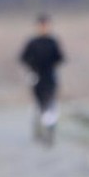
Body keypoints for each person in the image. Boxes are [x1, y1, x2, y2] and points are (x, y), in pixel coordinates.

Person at [19, 13, 65, 146]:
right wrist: (32, 68)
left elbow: (60, 58)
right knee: (39, 104)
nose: (44, 28)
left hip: (50, 76)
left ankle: (49, 129)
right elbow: (23, 58)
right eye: (41, 25)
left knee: (50, 102)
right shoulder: (33, 43)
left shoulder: (52, 42)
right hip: (36, 76)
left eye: (46, 25)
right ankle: (40, 127)